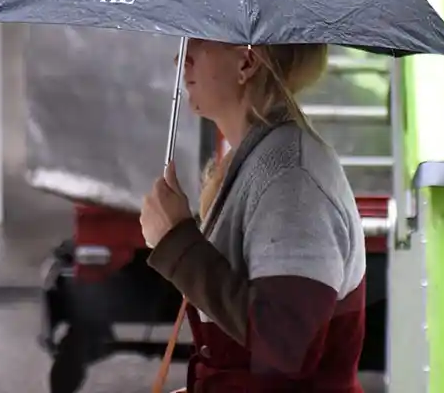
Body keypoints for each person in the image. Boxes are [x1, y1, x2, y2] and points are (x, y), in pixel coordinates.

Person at [141, 41, 366, 392]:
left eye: (199, 41)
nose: (180, 59)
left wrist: (176, 241)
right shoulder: (261, 159)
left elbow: (287, 345)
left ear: (247, 62)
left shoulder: (291, 179)